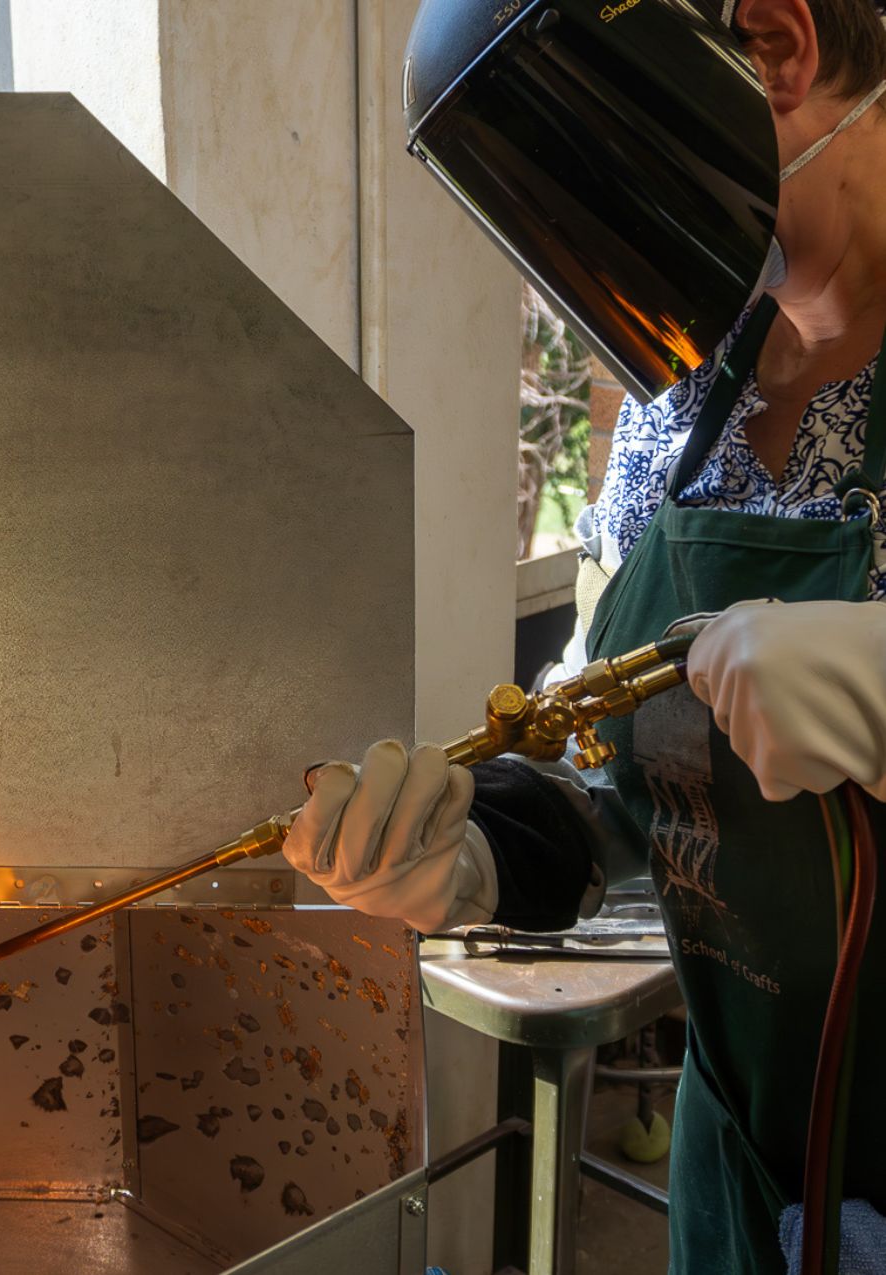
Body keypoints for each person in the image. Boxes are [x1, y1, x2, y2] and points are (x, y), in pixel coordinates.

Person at [283, 0, 886, 1270]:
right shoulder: (683, 415)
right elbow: (618, 770)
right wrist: (478, 851)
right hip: (748, 1183)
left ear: (772, 47)